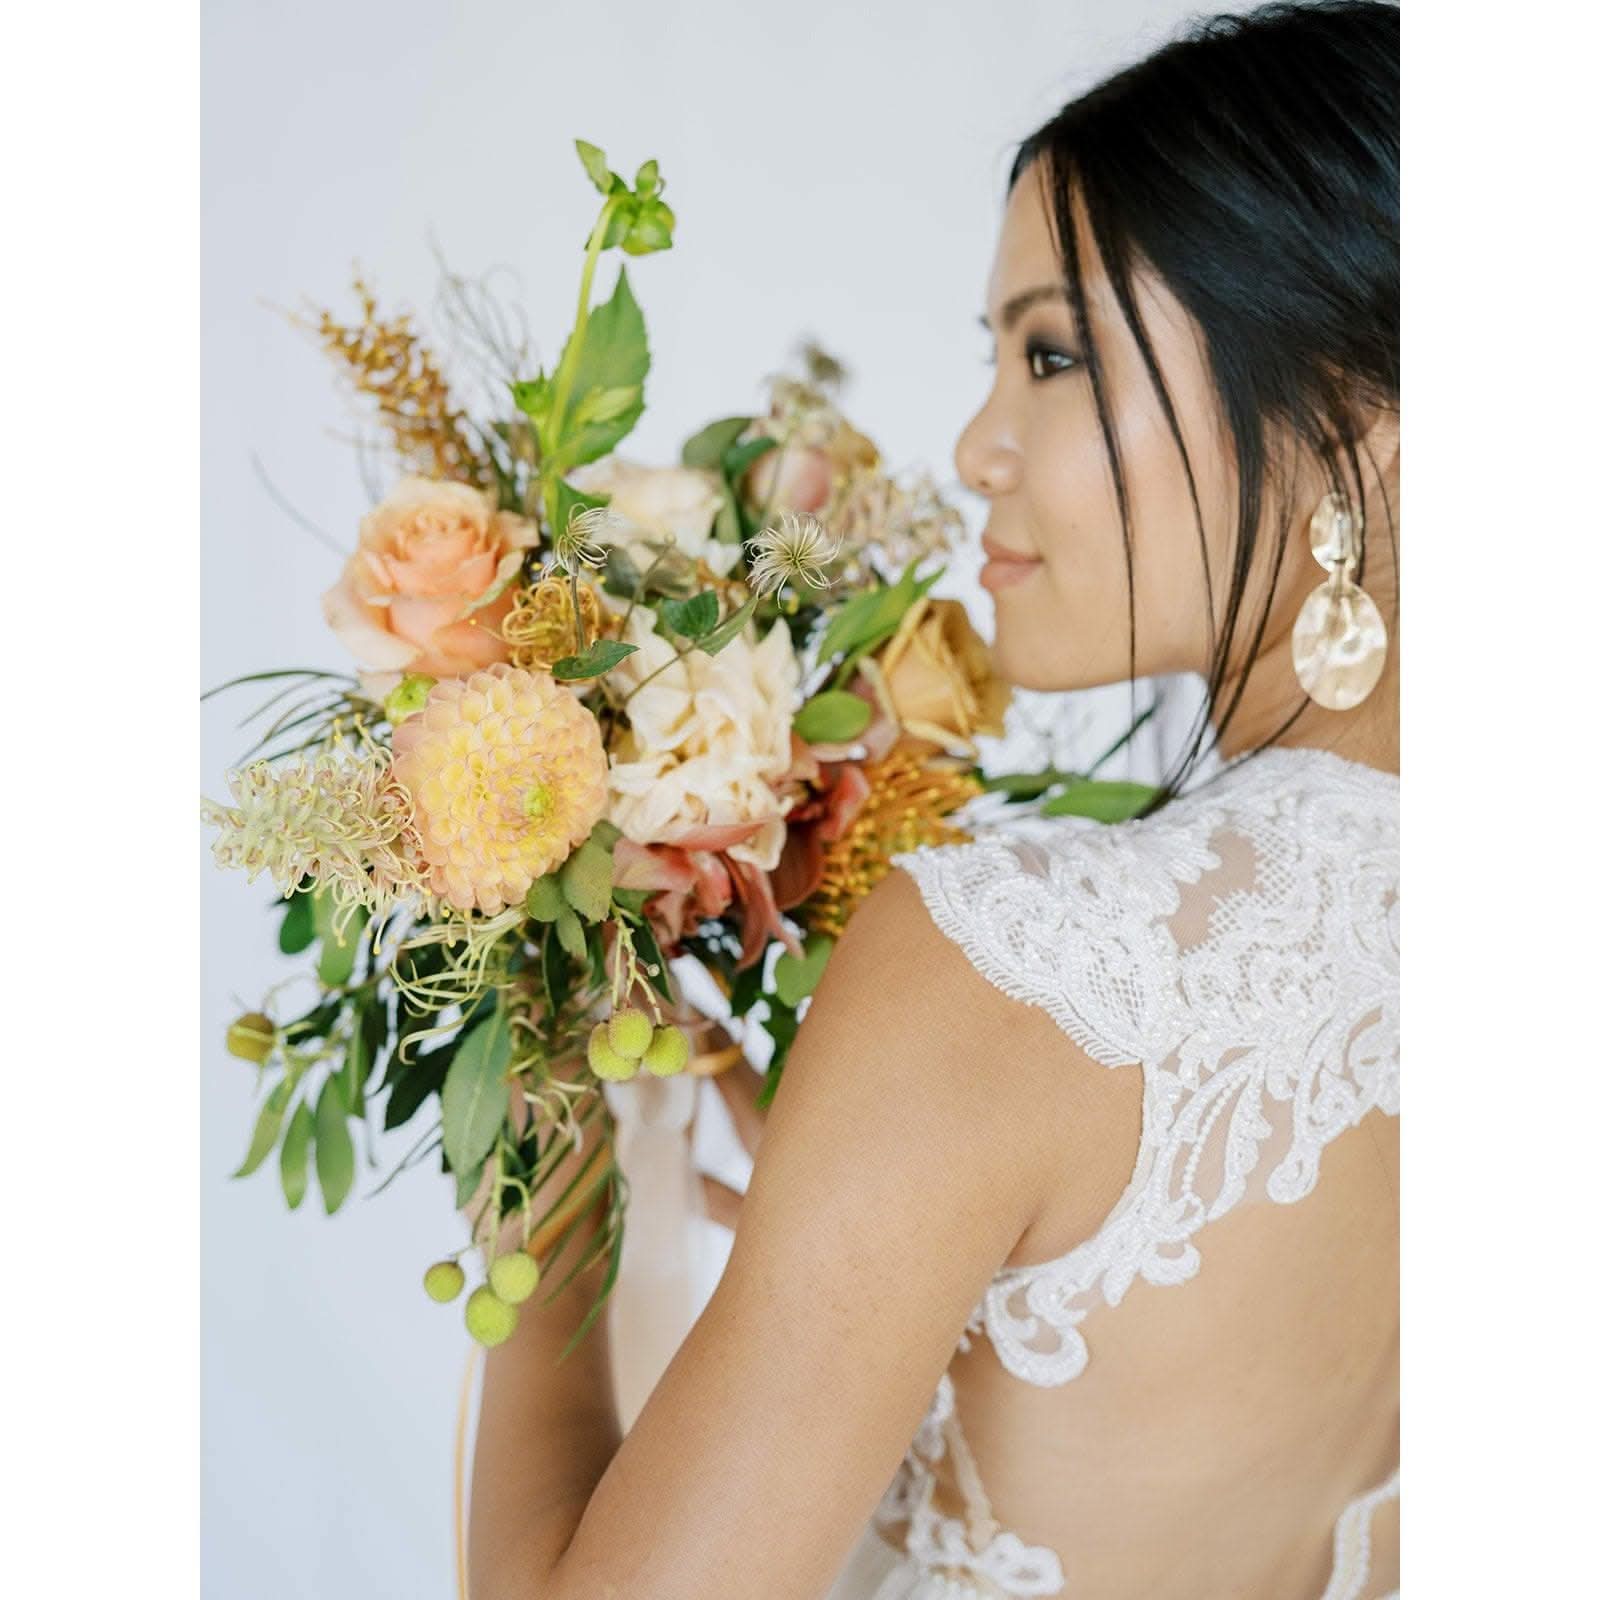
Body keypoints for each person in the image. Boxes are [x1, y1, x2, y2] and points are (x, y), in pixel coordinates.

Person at [466, 3, 1400, 1596]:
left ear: (1338, 433)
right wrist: (863, 1191)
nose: (976, 445)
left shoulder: (1013, 959)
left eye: (1053, 355)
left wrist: (547, 1162)